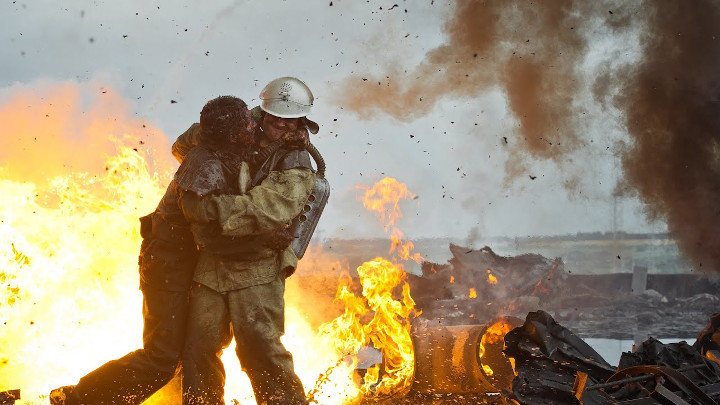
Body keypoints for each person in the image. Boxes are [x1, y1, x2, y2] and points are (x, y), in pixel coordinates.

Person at [49, 95, 262, 405]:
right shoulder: (204, 169)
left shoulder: (221, 147)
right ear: (230, 134)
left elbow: (181, 144)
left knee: (192, 350)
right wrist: (263, 240)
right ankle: (78, 399)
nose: (253, 125)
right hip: (167, 262)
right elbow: (210, 236)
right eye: (246, 123)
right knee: (162, 357)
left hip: (186, 260)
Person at [179, 77, 321, 405]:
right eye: (275, 119)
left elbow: (266, 209)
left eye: (291, 121)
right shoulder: (242, 127)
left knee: (260, 350)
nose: (283, 127)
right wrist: (219, 129)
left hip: (258, 268)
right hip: (212, 265)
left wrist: (209, 208)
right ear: (263, 113)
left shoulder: (297, 163)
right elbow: (183, 145)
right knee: (198, 348)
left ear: (302, 121)